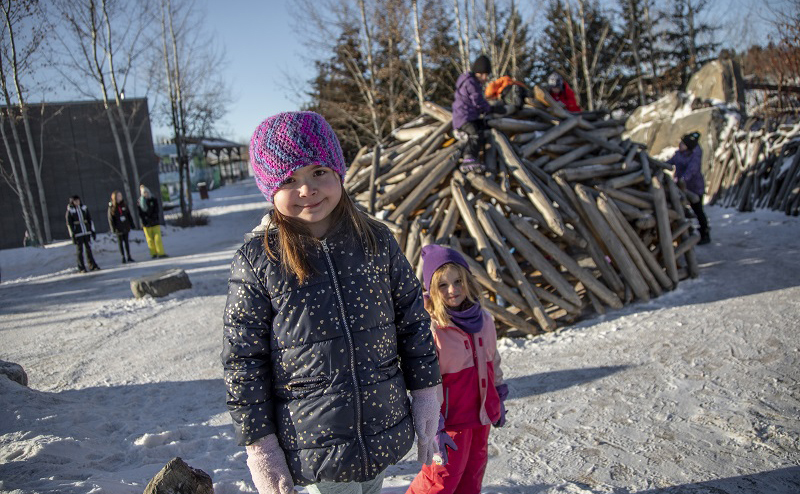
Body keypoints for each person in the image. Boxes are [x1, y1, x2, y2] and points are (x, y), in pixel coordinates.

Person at [221, 111, 443, 494]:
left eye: (318, 171)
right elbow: (244, 360)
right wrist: (260, 446)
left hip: (380, 424)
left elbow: (412, 321)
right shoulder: (259, 261)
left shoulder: (376, 241)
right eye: (289, 179)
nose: (306, 189)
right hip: (312, 442)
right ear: (269, 189)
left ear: (338, 173)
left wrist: (426, 393)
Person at [406, 244, 508, 494]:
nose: (453, 290)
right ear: (432, 289)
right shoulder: (433, 329)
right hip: (449, 423)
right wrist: (434, 427)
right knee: (439, 482)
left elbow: (493, 361)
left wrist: (499, 396)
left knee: (472, 477)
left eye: (458, 281)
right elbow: (424, 382)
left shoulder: (484, 320)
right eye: (443, 285)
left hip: (481, 417)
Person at [452, 54, 505, 174]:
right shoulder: (471, 83)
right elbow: (478, 101)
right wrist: (490, 109)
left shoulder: (471, 82)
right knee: (475, 134)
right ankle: (468, 158)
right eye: (485, 75)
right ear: (480, 73)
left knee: (482, 127)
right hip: (464, 118)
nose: (486, 78)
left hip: (469, 116)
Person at [668, 131, 710, 245]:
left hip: (694, 187)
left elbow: (692, 170)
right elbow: (669, 163)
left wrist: (682, 179)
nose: (680, 144)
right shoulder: (679, 154)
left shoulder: (694, 156)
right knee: (680, 209)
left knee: (698, 210)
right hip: (681, 187)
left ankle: (705, 232)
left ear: (688, 146)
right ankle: (683, 233)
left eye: (683, 143)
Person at [65, 195, 100, 273]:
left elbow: (90, 220)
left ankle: (92, 265)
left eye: (78, 200)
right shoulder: (70, 211)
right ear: (72, 202)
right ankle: (81, 267)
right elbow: (69, 225)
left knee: (88, 249)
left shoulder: (84, 209)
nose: (77, 202)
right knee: (80, 251)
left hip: (86, 232)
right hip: (78, 233)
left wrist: (92, 231)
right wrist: (72, 235)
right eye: (75, 201)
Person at [138, 185, 167, 258]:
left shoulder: (153, 200)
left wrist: (152, 217)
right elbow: (140, 213)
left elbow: (156, 210)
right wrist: (145, 220)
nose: (146, 194)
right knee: (149, 240)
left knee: (157, 238)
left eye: (147, 192)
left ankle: (161, 253)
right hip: (146, 224)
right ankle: (153, 253)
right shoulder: (140, 202)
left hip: (155, 222)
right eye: (144, 193)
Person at [107, 190, 135, 264]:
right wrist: (113, 228)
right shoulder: (112, 207)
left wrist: (132, 224)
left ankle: (129, 255)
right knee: (120, 243)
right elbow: (111, 219)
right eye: (118, 196)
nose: (120, 197)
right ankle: (123, 256)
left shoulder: (124, 205)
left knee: (126, 242)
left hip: (125, 225)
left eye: (120, 196)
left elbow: (129, 215)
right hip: (118, 228)